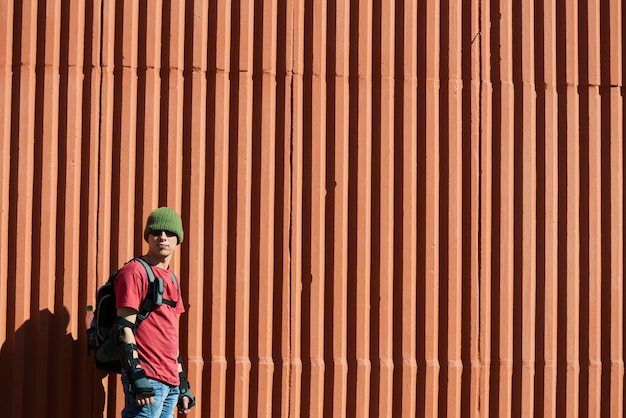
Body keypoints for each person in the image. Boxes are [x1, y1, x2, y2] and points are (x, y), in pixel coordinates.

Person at [113, 207, 195, 417]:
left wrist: (182, 383)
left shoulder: (172, 279)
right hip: (147, 379)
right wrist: (136, 375)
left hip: (170, 382)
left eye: (169, 233)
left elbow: (170, 335)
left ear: (178, 239)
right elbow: (124, 329)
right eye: (156, 232)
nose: (162, 237)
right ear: (147, 237)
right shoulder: (134, 272)